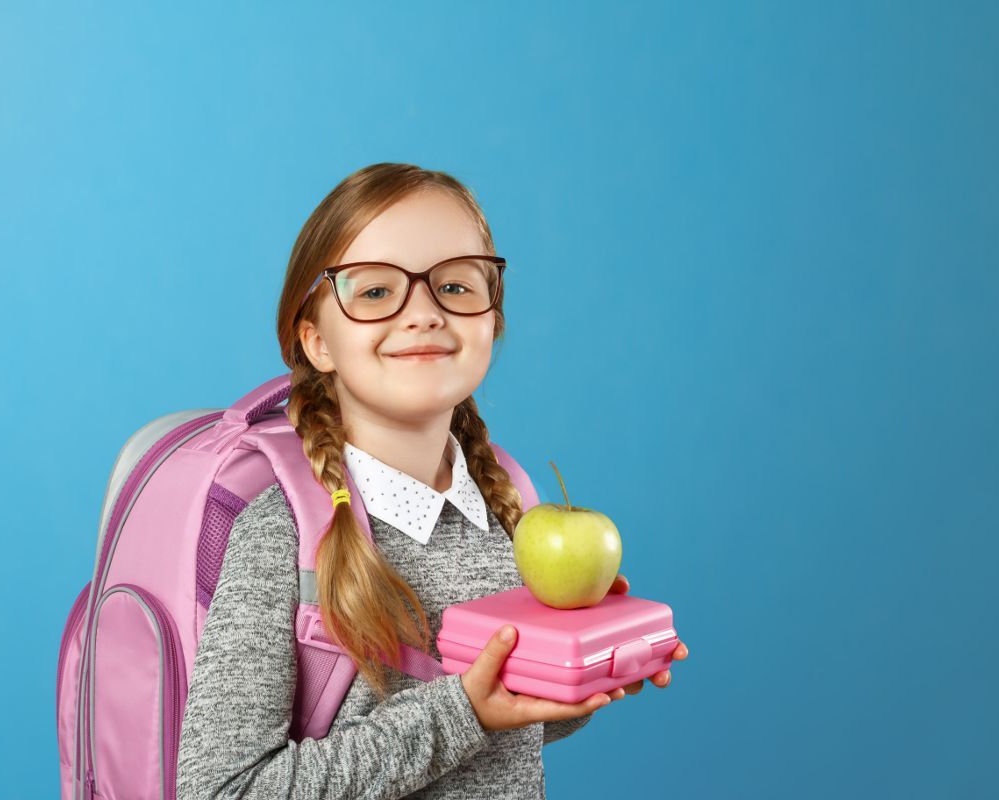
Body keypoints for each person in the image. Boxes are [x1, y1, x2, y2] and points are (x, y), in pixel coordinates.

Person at [175, 162, 689, 799]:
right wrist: (463, 712)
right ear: (317, 341)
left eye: (453, 285)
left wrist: (573, 672)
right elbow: (220, 791)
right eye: (374, 292)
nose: (422, 312)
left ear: (492, 318)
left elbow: (494, 733)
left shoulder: (511, 506)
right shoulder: (283, 534)